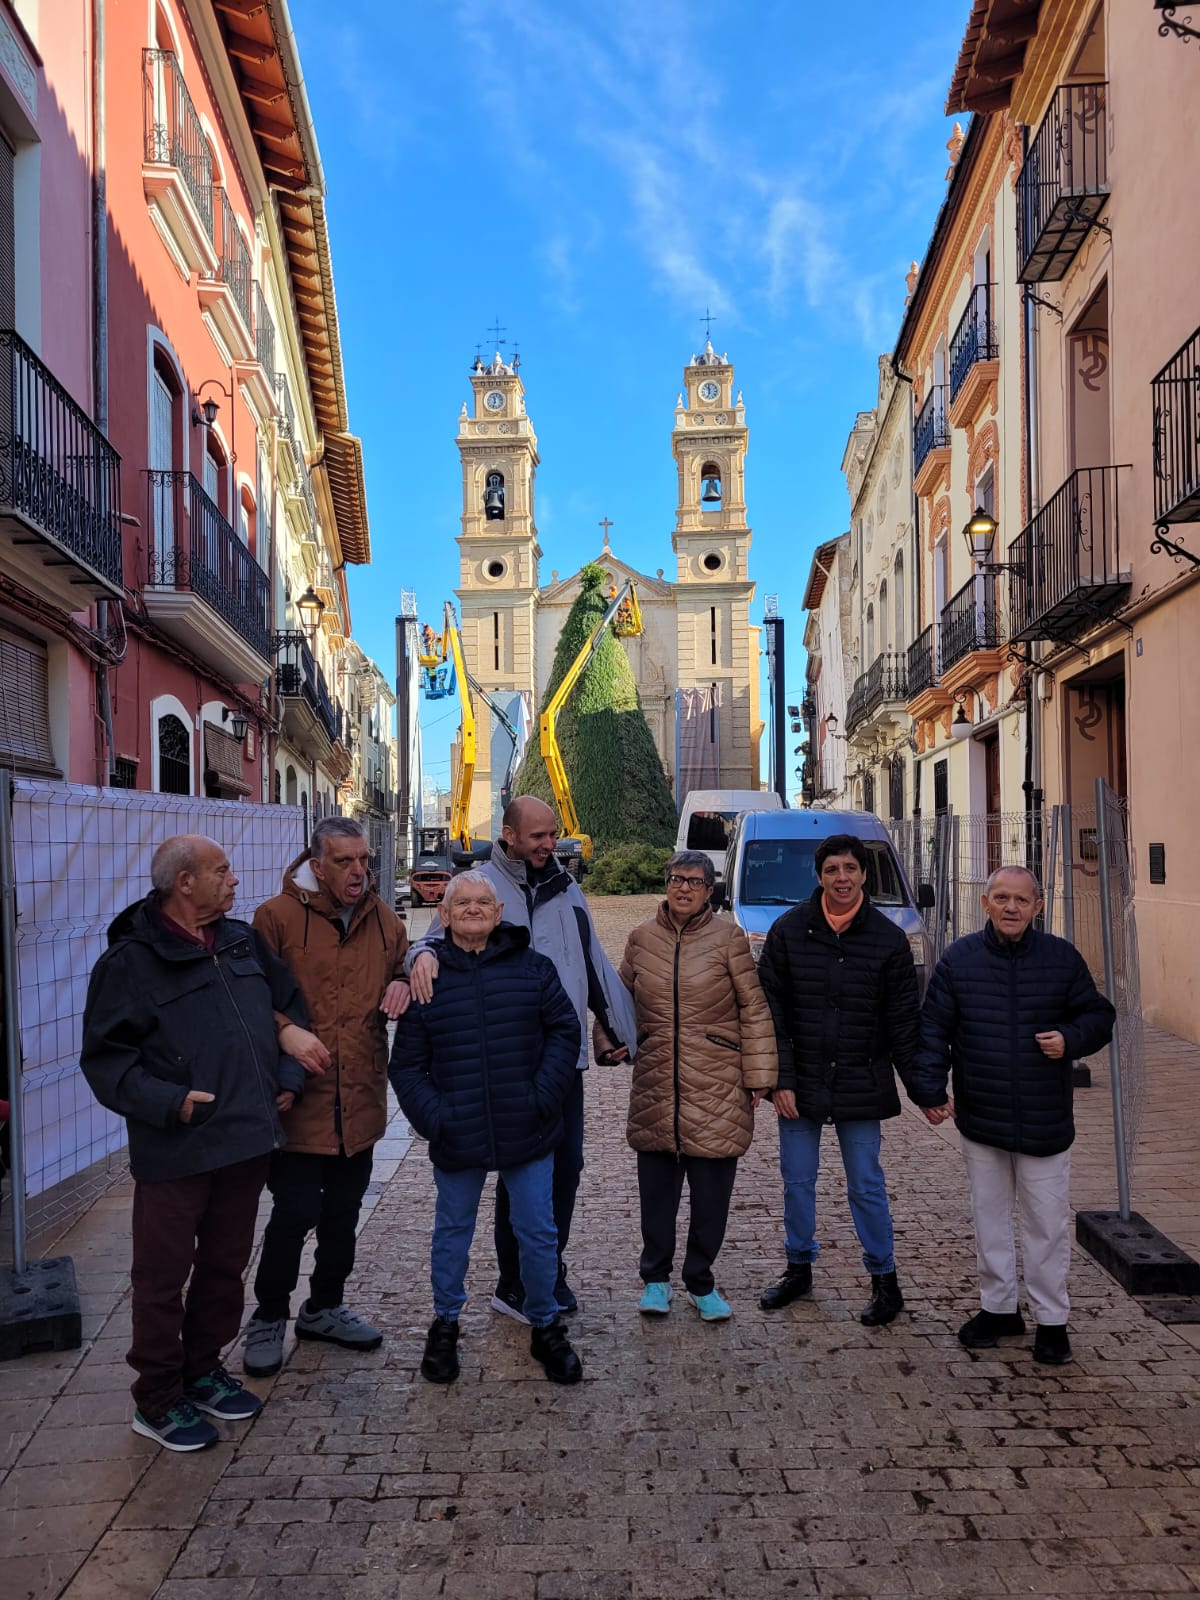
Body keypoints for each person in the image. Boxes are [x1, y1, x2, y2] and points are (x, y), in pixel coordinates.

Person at [79, 835, 312, 1452]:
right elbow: (106, 1062)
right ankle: (156, 1401)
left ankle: (204, 1370)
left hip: (244, 1140)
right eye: (221, 871)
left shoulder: (240, 940)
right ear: (184, 882)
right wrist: (170, 1103)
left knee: (224, 1266)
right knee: (161, 1277)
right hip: (178, 1149)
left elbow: (287, 1008)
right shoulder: (129, 963)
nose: (234, 881)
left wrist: (285, 1080)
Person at [408, 795, 636, 1321]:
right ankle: (514, 1283)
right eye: (538, 836)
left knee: (566, 1169)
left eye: (553, 834)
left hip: (561, 1061)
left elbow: (593, 961)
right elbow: (434, 940)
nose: (549, 844)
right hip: (506, 1059)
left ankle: (547, 1269)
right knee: (519, 1170)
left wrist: (614, 1028)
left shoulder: (566, 887)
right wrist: (418, 955)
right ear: (509, 834)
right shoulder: (481, 887)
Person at [910, 865, 1116, 1365]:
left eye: (1021, 900)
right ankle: (999, 1308)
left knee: (1046, 1225)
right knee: (990, 1221)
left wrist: (1071, 1038)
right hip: (981, 1117)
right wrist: (929, 1090)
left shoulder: (1061, 959)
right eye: (1001, 897)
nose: (1010, 907)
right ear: (985, 904)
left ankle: (1052, 1321)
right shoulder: (959, 961)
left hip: (1045, 1120)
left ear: (1038, 906)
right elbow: (934, 1029)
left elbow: (1098, 1015)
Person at [391, 871, 584, 1385]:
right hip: (458, 1130)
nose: (473, 909)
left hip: (528, 1127)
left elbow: (566, 1030)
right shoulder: (426, 979)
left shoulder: (532, 968)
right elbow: (406, 1065)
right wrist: (436, 1119)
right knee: (453, 1232)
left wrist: (543, 1097)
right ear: (446, 914)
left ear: (500, 915)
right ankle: (446, 1322)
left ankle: (544, 1324)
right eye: (463, 902)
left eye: (483, 902)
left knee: (537, 1233)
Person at [242, 817, 410, 1378]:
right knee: (293, 1213)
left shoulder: (385, 921)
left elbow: (403, 966)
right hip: (298, 1099)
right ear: (317, 865)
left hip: (359, 1100)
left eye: (364, 859)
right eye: (344, 861)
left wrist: (407, 977)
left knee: (343, 1215)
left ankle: (325, 1306)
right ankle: (268, 1315)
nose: (359, 871)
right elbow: (248, 1002)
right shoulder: (275, 919)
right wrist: (286, 1041)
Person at [755, 833, 920, 1326]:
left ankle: (884, 1280)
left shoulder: (888, 940)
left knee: (866, 1184)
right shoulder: (788, 931)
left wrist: (926, 1089)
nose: (842, 878)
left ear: (864, 874)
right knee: (797, 1182)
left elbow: (904, 1023)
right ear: (819, 876)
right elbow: (770, 1013)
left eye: (850, 868)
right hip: (800, 1082)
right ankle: (798, 1267)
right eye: (832, 870)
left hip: (861, 1080)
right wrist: (780, 1078)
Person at [617, 850, 777, 1320]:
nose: (682, 888)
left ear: (710, 890)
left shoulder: (730, 938)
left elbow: (754, 1008)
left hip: (717, 1084)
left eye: (693, 881)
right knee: (657, 1195)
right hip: (657, 1084)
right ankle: (654, 1280)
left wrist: (761, 1075)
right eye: (674, 879)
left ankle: (701, 1280)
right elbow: (619, 998)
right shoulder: (641, 938)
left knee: (711, 1197)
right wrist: (610, 1042)